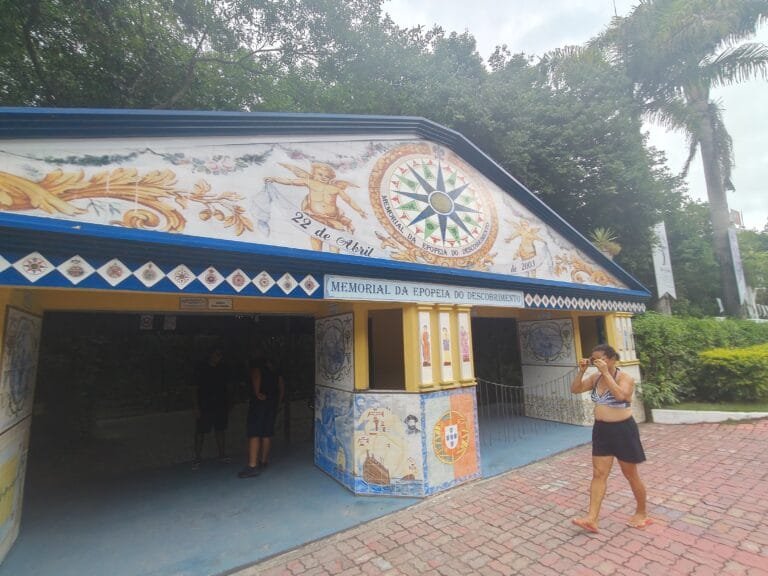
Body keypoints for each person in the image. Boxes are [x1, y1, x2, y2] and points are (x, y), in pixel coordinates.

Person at [570, 343, 649, 533]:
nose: (597, 362)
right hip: (602, 431)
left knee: (630, 474)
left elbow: (622, 396)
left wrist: (606, 373)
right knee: (599, 474)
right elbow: (575, 389)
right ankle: (592, 518)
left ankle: (641, 512)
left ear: (612, 359)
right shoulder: (595, 378)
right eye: (594, 359)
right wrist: (581, 372)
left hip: (623, 431)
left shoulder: (625, 378)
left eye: (601, 358)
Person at [265, 162, 368, 252]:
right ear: (313, 174)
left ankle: (335, 258)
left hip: (333, 219)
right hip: (315, 218)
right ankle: (318, 256)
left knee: (336, 239)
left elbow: (348, 200)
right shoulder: (310, 183)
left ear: (331, 178)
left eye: (327, 176)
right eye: (320, 174)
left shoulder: (334, 188)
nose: (323, 177)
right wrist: (274, 179)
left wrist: (360, 211)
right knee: (316, 238)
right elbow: (291, 181)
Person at [238, 356, 285, 478]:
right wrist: (278, 402)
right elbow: (281, 387)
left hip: (259, 403)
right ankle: (264, 461)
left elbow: (256, 377)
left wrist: (257, 392)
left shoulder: (257, 367)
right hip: (272, 403)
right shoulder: (276, 370)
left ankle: (252, 465)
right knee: (266, 433)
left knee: (254, 432)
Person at [192, 347, 231, 469]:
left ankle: (222, 455)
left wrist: (229, 403)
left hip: (220, 404)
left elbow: (228, 387)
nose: (219, 357)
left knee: (220, 430)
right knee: (200, 432)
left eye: (220, 355)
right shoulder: (201, 369)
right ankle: (197, 458)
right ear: (211, 355)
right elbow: (194, 389)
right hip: (205, 405)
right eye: (217, 354)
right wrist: (196, 407)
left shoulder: (223, 369)